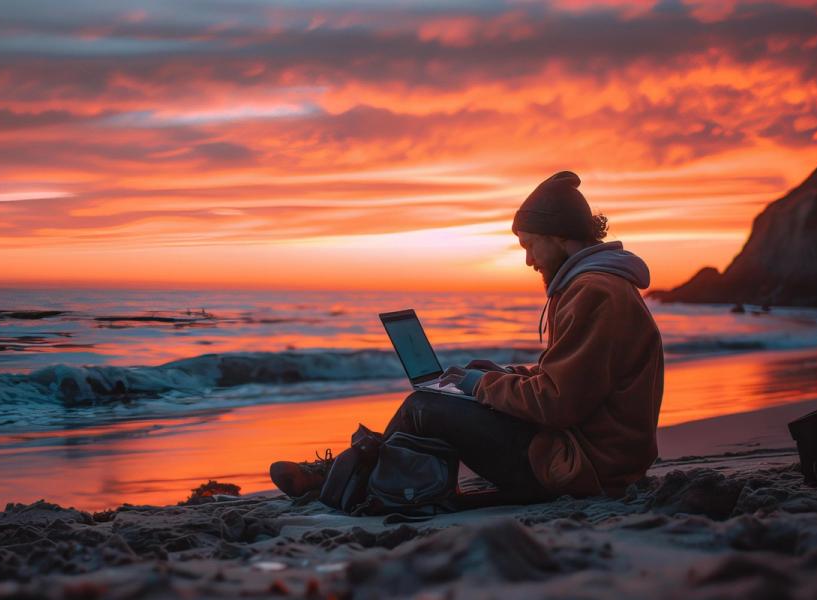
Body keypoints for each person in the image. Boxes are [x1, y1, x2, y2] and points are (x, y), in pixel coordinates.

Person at [270, 171, 664, 501]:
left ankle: (342, 475)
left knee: (424, 406)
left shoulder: (593, 292)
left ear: (560, 235)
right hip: (589, 450)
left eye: (530, 246)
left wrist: (482, 386)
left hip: (585, 466)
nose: (529, 260)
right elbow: (576, 385)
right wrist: (501, 375)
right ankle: (360, 472)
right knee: (461, 385)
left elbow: (557, 403)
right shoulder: (597, 286)